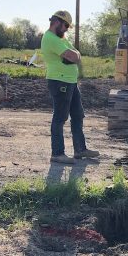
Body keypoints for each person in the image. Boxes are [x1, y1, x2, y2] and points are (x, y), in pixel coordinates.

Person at [41, 10, 99, 164]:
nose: (67, 28)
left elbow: (76, 54)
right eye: (65, 25)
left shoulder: (61, 39)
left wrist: (73, 56)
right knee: (60, 117)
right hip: (60, 81)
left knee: (78, 115)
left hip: (70, 81)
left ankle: (80, 150)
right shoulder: (51, 38)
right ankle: (57, 153)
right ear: (57, 22)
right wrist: (72, 56)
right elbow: (74, 56)